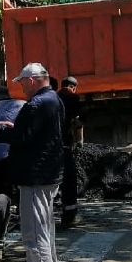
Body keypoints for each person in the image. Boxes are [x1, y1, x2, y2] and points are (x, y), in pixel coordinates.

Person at [0, 62, 64, 262]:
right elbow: (36, 133)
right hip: (49, 173)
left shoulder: (36, 104)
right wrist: (16, 127)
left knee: (34, 232)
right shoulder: (53, 99)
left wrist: (2, 132)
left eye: (23, 83)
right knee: (46, 228)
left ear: (32, 80)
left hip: (35, 176)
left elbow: (24, 137)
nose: (22, 88)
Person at [55, 75, 83, 229]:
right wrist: (79, 142)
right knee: (69, 180)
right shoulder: (73, 98)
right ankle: (69, 216)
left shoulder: (53, 97)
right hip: (65, 146)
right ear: (74, 87)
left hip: (51, 147)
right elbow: (77, 122)